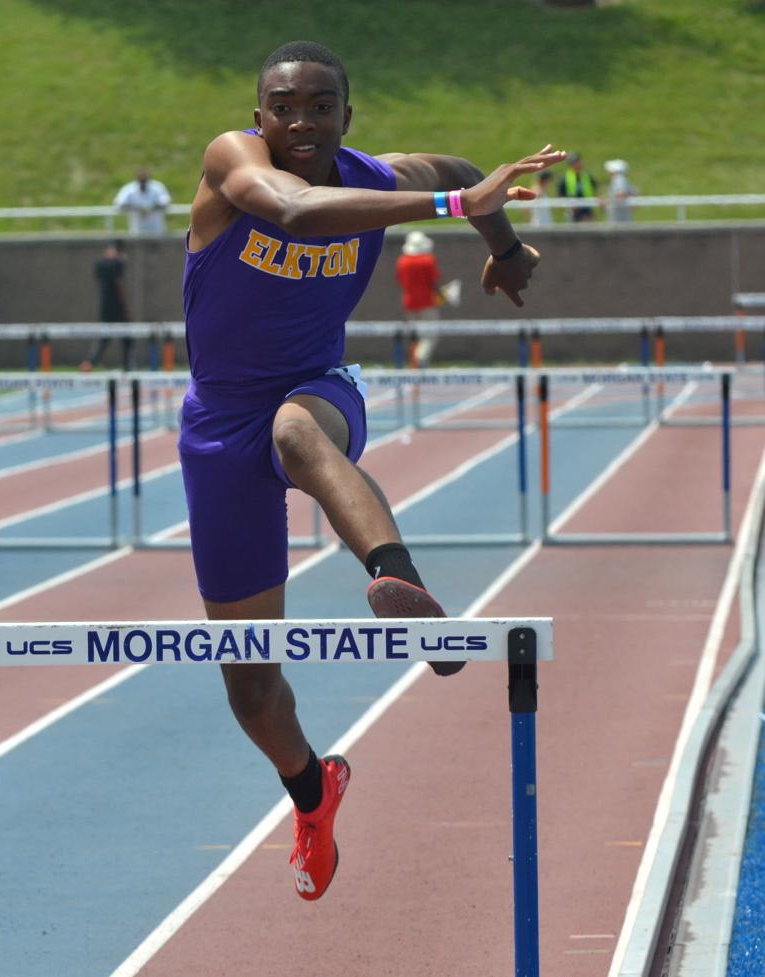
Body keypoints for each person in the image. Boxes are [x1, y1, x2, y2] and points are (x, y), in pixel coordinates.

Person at [181, 40, 563, 904]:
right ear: (258, 117)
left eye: (321, 105)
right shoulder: (233, 163)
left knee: (295, 432)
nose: (302, 120)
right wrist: (462, 204)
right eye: (284, 105)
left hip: (316, 392)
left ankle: (399, 583)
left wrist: (501, 246)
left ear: (347, 118)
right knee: (249, 683)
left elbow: (464, 167)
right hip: (215, 426)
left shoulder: (381, 173)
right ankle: (314, 789)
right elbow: (291, 209)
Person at [80, 241, 134, 372]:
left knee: (103, 339)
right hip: (118, 307)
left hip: (105, 306)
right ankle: (128, 368)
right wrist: (127, 308)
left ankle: (89, 363)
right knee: (127, 338)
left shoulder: (100, 265)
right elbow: (120, 285)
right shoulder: (117, 264)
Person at [395, 230, 442, 320]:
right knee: (429, 333)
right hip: (427, 302)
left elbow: (400, 280)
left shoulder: (402, 261)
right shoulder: (428, 260)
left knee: (412, 332)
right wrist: (440, 295)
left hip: (409, 303)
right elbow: (434, 281)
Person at [113, 167, 172, 235]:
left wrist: (150, 209)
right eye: (141, 179)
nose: (143, 182)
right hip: (137, 230)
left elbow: (166, 203)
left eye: (144, 179)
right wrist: (138, 209)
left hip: (157, 230)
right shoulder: (128, 189)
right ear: (136, 178)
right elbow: (119, 204)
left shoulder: (157, 187)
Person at [556, 151, 599, 222]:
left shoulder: (587, 176)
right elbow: (560, 195)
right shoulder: (565, 179)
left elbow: (595, 189)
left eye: (578, 161)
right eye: (575, 162)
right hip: (573, 211)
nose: (578, 164)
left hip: (587, 209)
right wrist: (568, 205)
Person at [604, 159, 637, 223]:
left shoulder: (619, 179)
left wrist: (606, 202)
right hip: (621, 219)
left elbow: (621, 195)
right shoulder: (623, 180)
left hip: (618, 221)